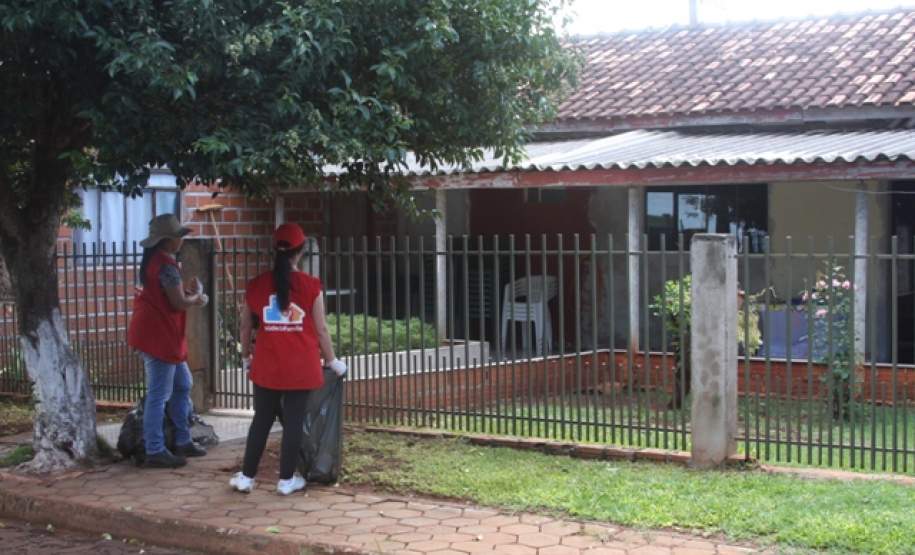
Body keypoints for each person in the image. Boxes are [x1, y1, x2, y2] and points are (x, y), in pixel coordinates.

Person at [230, 223, 346, 495]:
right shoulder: (311, 286)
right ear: (301, 251)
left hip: (267, 366)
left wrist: (246, 355)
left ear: (275, 250)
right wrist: (332, 361)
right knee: (293, 422)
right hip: (300, 367)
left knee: (262, 419)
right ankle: (285, 481)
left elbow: (245, 326)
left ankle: (246, 478)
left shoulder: (256, 285)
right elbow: (321, 329)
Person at [128, 214, 209, 468]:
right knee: (159, 394)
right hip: (158, 338)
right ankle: (155, 449)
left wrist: (192, 295)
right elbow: (177, 303)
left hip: (159, 334)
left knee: (183, 383)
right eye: (178, 236)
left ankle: (183, 440)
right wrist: (196, 295)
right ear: (166, 241)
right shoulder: (166, 266)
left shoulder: (158, 262)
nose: (181, 240)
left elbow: (168, 297)